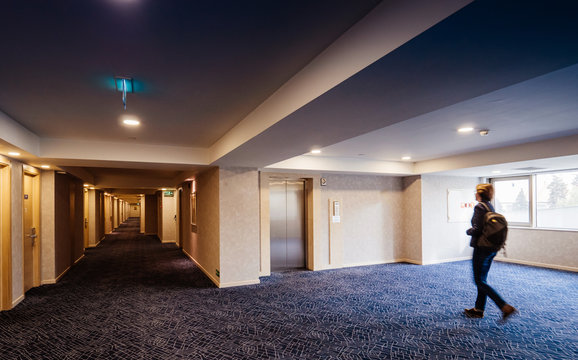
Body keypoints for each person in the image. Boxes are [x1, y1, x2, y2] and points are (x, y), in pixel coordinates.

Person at [465, 183, 517, 320]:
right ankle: (479, 309)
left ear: (480, 193)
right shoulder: (490, 207)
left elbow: (477, 229)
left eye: (476, 192)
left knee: (479, 280)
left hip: (481, 247)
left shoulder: (479, 207)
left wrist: (468, 231)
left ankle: (504, 306)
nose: (474, 194)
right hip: (492, 248)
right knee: (482, 279)